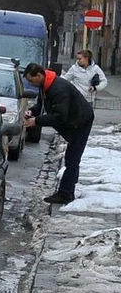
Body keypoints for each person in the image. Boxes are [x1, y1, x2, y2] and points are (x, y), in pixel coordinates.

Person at [23, 62, 95, 205]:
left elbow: (59, 116)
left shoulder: (58, 88)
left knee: (72, 159)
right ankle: (70, 185)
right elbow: (41, 104)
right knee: (72, 158)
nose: (31, 84)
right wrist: (32, 111)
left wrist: (36, 121)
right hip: (74, 122)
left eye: (31, 80)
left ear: (39, 75)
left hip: (80, 122)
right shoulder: (45, 85)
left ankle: (66, 194)